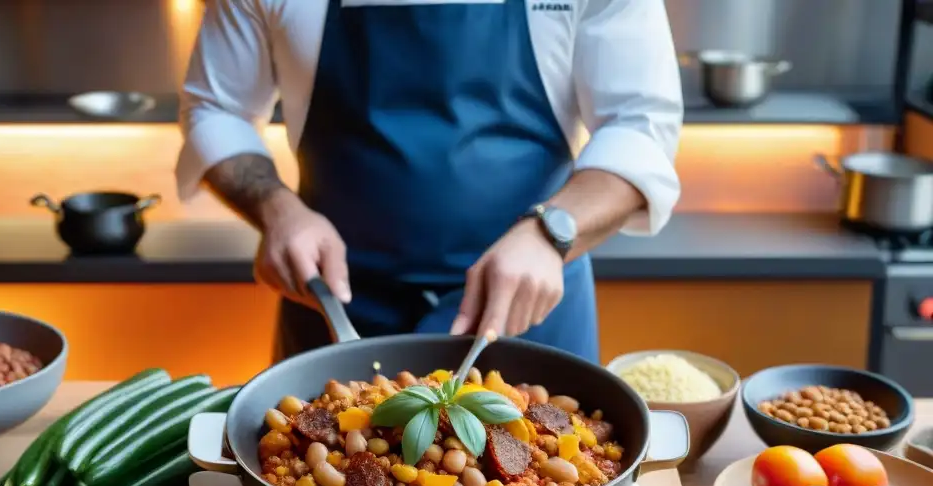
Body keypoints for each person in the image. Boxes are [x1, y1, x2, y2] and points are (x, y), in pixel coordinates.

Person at [177, 0, 682, 363]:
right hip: (337, 309)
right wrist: (276, 209)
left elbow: (639, 125)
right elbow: (216, 109)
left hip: (530, 303)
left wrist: (552, 231)